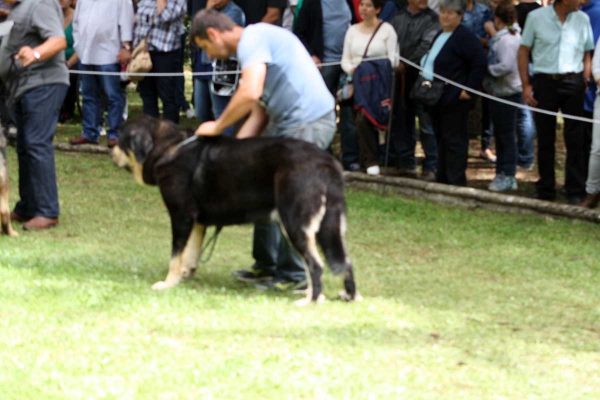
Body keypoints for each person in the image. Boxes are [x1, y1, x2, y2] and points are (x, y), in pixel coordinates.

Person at [192, 9, 337, 291]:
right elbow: (259, 113)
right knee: (258, 181)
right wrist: (236, 153)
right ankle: (266, 265)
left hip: (308, 122)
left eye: (205, 49)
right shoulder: (252, 49)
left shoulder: (253, 38)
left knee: (287, 195)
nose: (209, 56)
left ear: (213, 34)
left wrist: (217, 126)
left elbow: (250, 92)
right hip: (286, 122)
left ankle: (292, 274)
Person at [0, 0, 69, 230]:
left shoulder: (40, 3)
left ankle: (48, 211)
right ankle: (28, 206)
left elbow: (59, 40)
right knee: (24, 145)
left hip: (44, 83)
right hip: (22, 87)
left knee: (36, 143)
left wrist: (36, 53)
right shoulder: (15, 9)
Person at [518, 0, 594, 204]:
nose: (581, 1)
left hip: (574, 82)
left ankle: (575, 189)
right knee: (545, 137)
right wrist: (526, 84)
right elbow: (524, 50)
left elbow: (588, 52)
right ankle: (546, 188)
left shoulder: (582, 18)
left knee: (575, 138)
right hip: (545, 83)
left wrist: (585, 78)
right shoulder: (536, 17)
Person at [425, 0, 486, 186]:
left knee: (455, 140)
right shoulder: (439, 34)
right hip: (437, 97)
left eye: (450, 13)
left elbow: (480, 62)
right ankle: (443, 177)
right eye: (443, 12)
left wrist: (469, 90)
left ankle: (456, 180)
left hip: (455, 98)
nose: (445, 16)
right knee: (441, 139)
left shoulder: (464, 36)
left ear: (459, 16)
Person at [294, 0, 361, 172]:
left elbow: (355, 26)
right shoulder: (311, 3)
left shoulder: (347, 1)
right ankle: (324, 157)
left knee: (348, 116)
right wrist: (312, 55)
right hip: (323, 67)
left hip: (347, 66)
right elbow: (298, 33)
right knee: (322, 113)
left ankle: (351, 159)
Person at [341, 0, 398, 175]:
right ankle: (369, 161)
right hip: (359, 83)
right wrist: (354, 70)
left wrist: (373, 66)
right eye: (361, 5)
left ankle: (378, 159)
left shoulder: (387, 30)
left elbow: (394, 59)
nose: (363, 9)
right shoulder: (352, 31)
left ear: (378, 9)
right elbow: (345, 58)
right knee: (360, 119)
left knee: (377, 118)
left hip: (379, 84)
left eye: (368, 5)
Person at [69, 0, 134, 148]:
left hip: (109, 53)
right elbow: (77, 23)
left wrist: (126, 46)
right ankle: (90, 132)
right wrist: (78, 45)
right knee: (88, 95)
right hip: (86, 53)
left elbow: (126, 21)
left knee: (113, 96)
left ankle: (115, 134)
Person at [390, 0, 440, 181]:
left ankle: (431, 165)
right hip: (401, 77)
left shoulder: (433, 19)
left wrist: (406, 62)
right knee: (403, 119)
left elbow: (426, 44)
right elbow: (391, 41)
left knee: (426, 123)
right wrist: (396, 62)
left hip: (423, 76)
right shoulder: (397, 17)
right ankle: (406, 162)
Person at [484, 2, 521, 192]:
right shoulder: (510, 37)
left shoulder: (507, 40)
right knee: (502, 135)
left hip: (506, 92)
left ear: (497, 20)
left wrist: (487, 70)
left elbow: (505, 66)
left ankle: (507, 174)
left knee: (505, 136)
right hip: (502, 92)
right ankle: (503, 172)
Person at [193, 0, 245, 135]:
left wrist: (208, 10)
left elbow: (250, 92)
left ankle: (225, 147)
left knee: (220, 112)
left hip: (222, 69)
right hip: (202, 67)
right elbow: (197, 33)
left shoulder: (235, 12)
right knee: (201, 111)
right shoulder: (211, 12)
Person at [134, 0, 187, 124]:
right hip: (145, 53)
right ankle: (150, 133)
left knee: (168, 96)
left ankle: (170, 135)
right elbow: (138, 19)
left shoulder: (178, 2)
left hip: (166, 53)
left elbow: (165, 17)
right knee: (147, 95)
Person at [59, 0, 79, 123]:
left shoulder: (78, 17)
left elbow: (82, 45)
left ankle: (67, 110)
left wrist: (69, 63)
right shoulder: (51, 16)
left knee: (71, 75)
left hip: (73, 60)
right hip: (53, 60)